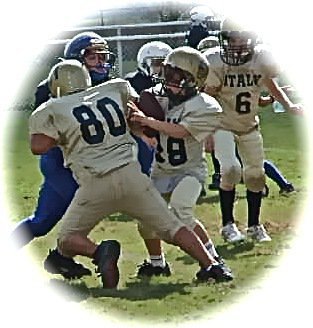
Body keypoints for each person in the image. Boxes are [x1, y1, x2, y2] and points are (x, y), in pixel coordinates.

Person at [29, 59, 233, 288]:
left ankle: (100, 252)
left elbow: (39, 146)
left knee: (67, 239)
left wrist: (65, 135)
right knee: (173, 228)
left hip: (95, 184)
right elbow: (135, 113)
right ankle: (212, 266)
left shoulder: (50, 109)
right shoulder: (115, 88)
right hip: (132, 175)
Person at [11, 32, 116, 279]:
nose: (101, 62)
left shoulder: (105, 88)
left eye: (103, 56)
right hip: (60, 162)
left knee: (42, 222)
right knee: (82, 211)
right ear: (75, 62)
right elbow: (44, 135)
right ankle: (80, 255)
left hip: (85, 164)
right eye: (94, 57)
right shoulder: (51, 90)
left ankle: (61, 259)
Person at [129, 46, 232, 278]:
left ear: (193, 81)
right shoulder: (158, 95)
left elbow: (179, 132)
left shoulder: (206, 105)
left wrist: (149, 121)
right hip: (161, 170)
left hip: (189, 171)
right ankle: (158, 264)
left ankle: (214, 260)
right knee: (145, 219)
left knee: (182, 212)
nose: (170, 82)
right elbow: (135, 119)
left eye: (177, 78)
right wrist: (141, 129)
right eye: (168, 75)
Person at [203, 18, 302, 243]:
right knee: (229, 170)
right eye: (233, 39)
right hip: (222, 125)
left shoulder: (260, 60)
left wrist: (288, 105)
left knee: (256, 175)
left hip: (249, 126)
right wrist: (208, 132)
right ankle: (228, 225)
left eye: (242, 39)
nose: (238, 44)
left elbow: (269, 84)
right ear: (225, 40)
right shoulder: (215, 62)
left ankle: (254, 226)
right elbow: (207, 98)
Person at [124, 41, 173, 176]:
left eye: (165, 64)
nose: (162, 68)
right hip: (142, 128)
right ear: (144, 63)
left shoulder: (174, 82)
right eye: (157, 64)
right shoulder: (133, 81)